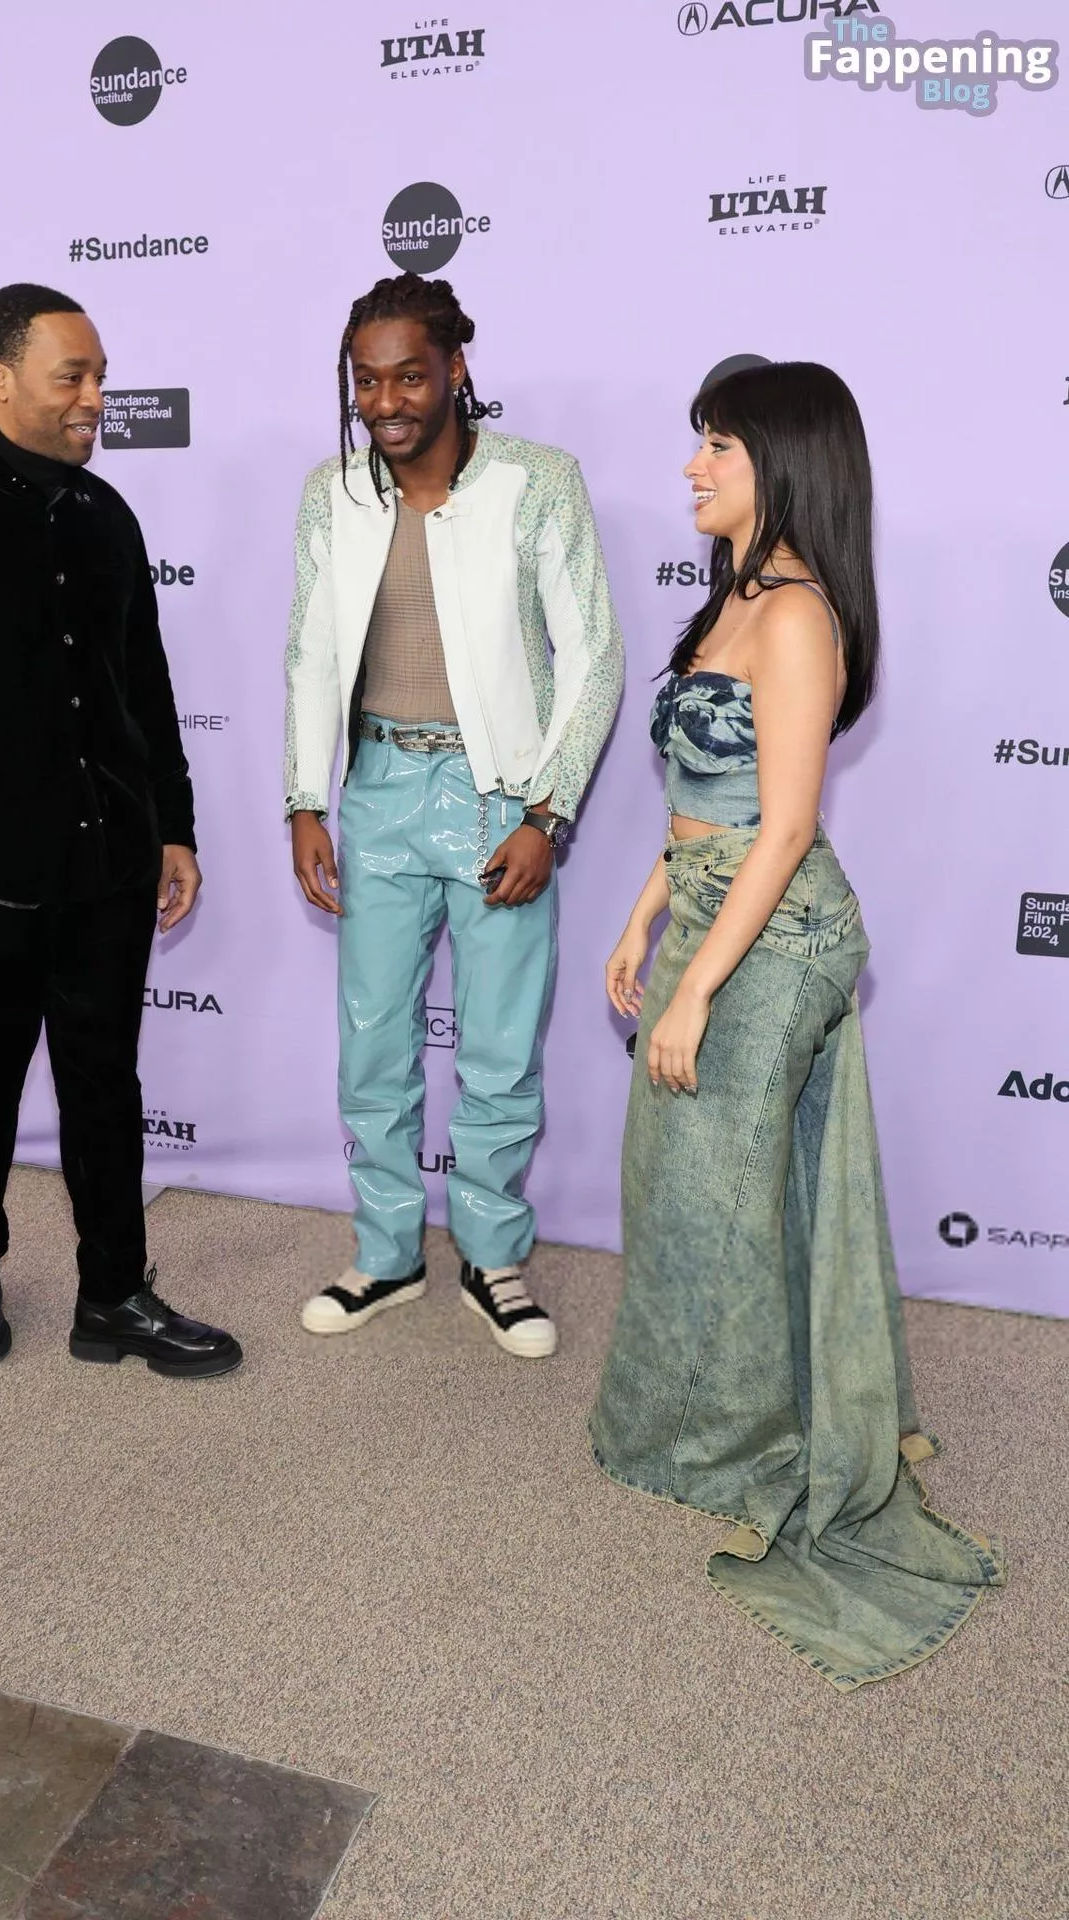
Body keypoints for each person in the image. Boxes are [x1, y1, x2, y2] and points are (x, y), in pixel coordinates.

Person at [590, 361, 1004, 1688]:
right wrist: (643, 917)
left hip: (780, 934)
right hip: (711, 908)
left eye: (719, 445)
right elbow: (696, 802)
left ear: (784, 463)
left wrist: (698, 987)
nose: (692, 466)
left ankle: (737, 1445)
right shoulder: (732, 596)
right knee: (689, 1184)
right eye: (698, 443)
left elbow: (782, 829)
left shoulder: (798, 616)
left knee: (716, 1192)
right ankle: (696, 1420)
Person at [0, 283, 242, 1379]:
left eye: (101, 375)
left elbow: (144, 688)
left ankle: (114, 1294)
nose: (96, 397)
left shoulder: (106, 514)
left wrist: (173, 827)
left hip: (110, 859)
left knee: (106, 1082)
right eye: (74, 376)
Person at [284, 273, 623, 1356]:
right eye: (366, 380)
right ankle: (385, 1256)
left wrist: (546, 813)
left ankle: (492, 1258)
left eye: (408, 377)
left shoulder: (537, 481)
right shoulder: (332, 493)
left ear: (455, 371)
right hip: (378, 788)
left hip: (500, 799)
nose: (385, 402)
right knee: (372, 1045)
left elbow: (595, 656)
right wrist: (304, 798)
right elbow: (309, 654)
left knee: (499, 1048)